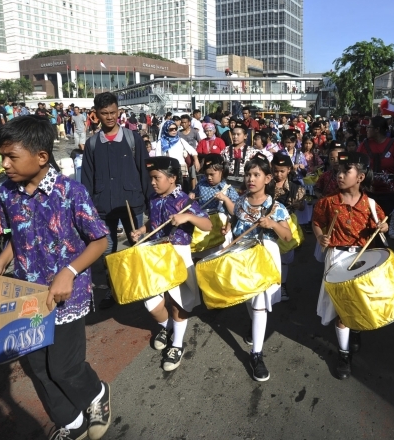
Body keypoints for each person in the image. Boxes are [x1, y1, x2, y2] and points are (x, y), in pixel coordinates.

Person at [0, 115, 112, 439]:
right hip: (28, 294)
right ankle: (70, 422)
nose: (4, 163)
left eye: (11, 156)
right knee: (38, 367)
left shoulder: (70, 192)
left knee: (65, 367)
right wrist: (0, 265)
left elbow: (100, 240)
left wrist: (68, 272)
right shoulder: (5, 193)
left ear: (41, 157)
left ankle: (96, 394)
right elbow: (18, 235)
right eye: (2, 155)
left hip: (67, 295)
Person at [130, 157, 211, 371]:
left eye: (157, 178)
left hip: (178, 255)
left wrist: (188, 219)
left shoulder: (184, 201)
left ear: (173, 178)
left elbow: (208, 224)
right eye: (151, 178)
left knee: (178, 302)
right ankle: (167, 327)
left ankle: (177, 345)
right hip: (155, 254)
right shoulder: (154, 199)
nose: (153, 183)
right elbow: (153, 223)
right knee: (152, 304)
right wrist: (141, 230)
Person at [313, 152, 388, 379]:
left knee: (357, 302)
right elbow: (318, 222)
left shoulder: (371, 205)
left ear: (361, 177)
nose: (340, 175)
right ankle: (344, 353)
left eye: (346, 172)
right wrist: (320, 237)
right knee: (341, 309)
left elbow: (381, 225)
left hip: (363, 259)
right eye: (338, 171)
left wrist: (383, 228)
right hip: (336, 257)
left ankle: (354, 330)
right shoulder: (328, 202)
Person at [220, 153, 292, 381]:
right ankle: (255, 327)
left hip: (264, 257)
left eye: (256, 175)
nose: (251, 179)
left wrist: (271, 224)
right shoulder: (241, 201)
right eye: (248, 174)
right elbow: (235, 220)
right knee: (249, 298)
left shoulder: (275, 207)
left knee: (260, 303)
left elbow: (288, 236)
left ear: (268, 178)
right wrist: (228, 230)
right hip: (242, 256)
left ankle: (256, 355)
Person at [82, 92, 153, 309]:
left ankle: (146, 288)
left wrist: (151, 201)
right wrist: (88, 210)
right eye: (104, 113)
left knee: (138, 244)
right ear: (97, 114)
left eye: (113, 112)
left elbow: (145, 172)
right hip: (103, 206)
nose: (110, 117)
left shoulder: (133, 139)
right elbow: (86, 179)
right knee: (107, 249)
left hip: (133, 201)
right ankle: (113, 290)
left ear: (118, 111)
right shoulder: (92, 144)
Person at [358, 116, 394, 239]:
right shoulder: (364, 145)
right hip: (368, 193)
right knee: (368, 223)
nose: (366, 129)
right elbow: (356, 166)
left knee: (382, 226)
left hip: (389, 194)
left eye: (369, 127)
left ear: (377, 129)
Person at [271, 153, 305, 302]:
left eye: (282, 171)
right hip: (268, 225)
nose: (278, 174)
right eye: (275, 170)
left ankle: (282, 284)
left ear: (289, 170)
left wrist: (299, 205)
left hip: (287, 225)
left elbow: (302, 207)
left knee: (285, 257)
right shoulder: (266, 185)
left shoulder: (295, 188)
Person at [153, 119, 200, 193]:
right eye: (171, 129)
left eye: (175, 128)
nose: (174, 131)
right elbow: (158, 157)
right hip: (168, 171)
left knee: (184, 192)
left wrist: (196, 160)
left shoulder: (180, 140)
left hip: (181, 171)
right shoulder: (161, 142)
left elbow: (192, 151)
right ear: (166, 130)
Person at [221, 122, 259, 188]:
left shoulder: (252, 151)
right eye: (233, 134)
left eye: (238, 134)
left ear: (245, 136)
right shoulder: (225, 150)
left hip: (245, 184)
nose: (235, 137)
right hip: (227, 184)